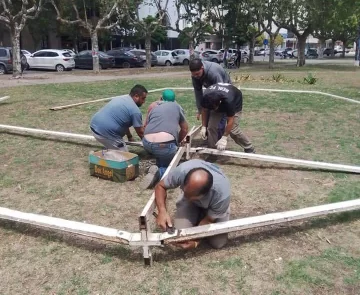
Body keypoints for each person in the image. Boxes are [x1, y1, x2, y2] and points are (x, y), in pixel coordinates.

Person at [155, 159, 231, 249]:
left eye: (192, 196)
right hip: (194, 202)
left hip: (214, 206)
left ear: (205, 193)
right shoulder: (182, 171)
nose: (187, 197)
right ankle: (196, 213)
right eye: (186, 192)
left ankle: (216, 212)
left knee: (218, 243)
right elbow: (160, 186)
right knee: (181, 237)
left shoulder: (221, 193)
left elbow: (208, 221)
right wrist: (162, 211)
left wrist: (195, 242)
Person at [141, 89, 189, 189]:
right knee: (171, 167)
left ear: (161, 98)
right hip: (164, 145)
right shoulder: (177, 106)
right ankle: (159, 172)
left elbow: (145, 126)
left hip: (146, 143)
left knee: (160, 152)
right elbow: (184, 129)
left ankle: (156, 165)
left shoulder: (154, 107)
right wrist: (177, 143)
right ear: (174, 100)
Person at [90, 84, 148, 151]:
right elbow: (140, 132)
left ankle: (110, 147)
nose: (144, 101)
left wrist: (129, 136)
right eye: (143, 98)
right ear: (136, 96)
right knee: (124, 156)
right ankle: (106, 154)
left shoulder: (121, 98)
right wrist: (149, 146)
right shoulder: (135, 111)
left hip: (94, 126)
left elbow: (124, 122)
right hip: (104, 133)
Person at [201, 82, 255, 153]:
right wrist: (204, 126)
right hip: (217, 99)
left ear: (219, 103)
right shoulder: (206, 97)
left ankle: (249, 147)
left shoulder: (229, 101)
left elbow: (230, 120)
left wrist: (224, 137)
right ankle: (213, 149)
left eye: (214, 108)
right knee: (211, 127)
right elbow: (204, 110)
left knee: (233, 130)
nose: (213, 110)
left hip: (235, 100)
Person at [189, 58, 229, 142]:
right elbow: (198, 92)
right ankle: (208, 138)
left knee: (219, 119)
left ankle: (218, 141)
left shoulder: (213, 73)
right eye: (194, 75)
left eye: (197, 74)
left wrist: (217, 107)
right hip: (211, 89)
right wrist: (200, 109)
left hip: (224, 89)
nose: (196, 77)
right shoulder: (195, 76)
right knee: (208, 114)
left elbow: (221, 90)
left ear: (202, 68)